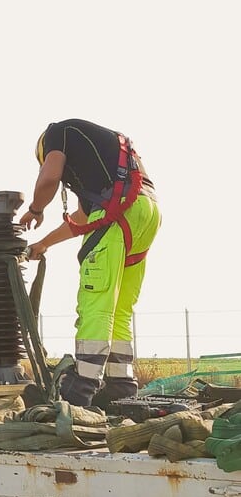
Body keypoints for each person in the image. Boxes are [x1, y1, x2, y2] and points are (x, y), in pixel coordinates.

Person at [19, 118, 161, 409]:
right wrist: (44, 243)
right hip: (146, 212)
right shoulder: (102, 160)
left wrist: (36, 209)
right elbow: (84, 219)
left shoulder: (58, 133)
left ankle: (81, 386)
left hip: (119, 211)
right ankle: (120, 386)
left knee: (95, 300)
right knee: (118, 307)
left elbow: (49, 178)